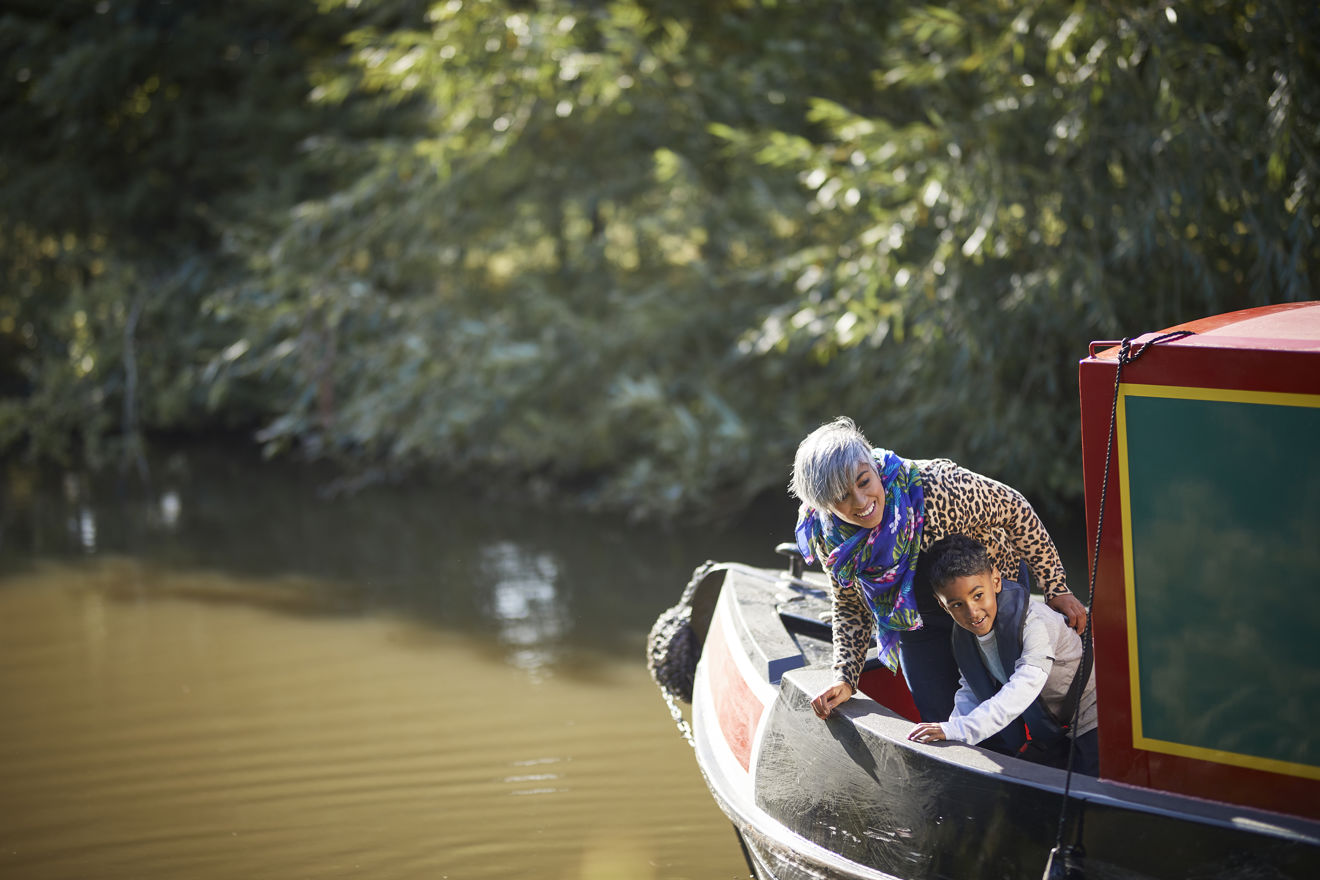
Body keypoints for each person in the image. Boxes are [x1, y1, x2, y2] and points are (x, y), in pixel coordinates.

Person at [789, 416, 1086, 723]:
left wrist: (1055, 585)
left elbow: (1016, 509)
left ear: (873, 469)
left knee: (1020, 699)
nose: (862, 502)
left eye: (864, 482)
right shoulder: (824, 534)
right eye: (842, 497)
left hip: (989, 595)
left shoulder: (937, 485)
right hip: (917, 619)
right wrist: (845, 675)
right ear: (823, 505)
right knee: (938, 714)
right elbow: (850, 602)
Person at [907, 534, 1098, 775]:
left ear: (996, 580)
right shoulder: (965, 635)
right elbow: (970, 689)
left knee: (1089, 801)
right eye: (957, 604)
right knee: (1020, 798)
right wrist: (951, 730)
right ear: (942, 604)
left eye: (978, 595)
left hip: (1094, 722)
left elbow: (1023, 687)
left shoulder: (1035, 622)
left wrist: (961, 729)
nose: (972, 612)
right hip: (1055, 731)